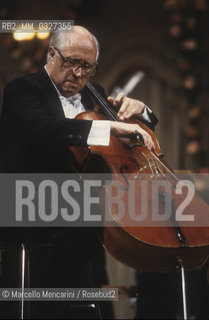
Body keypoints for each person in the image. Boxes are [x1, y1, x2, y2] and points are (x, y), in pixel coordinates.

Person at [0, 26, 158, 318]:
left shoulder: (94, 93)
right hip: (32, 210)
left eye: (88, 66)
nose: (79, 74)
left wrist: (142, 111)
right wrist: (112, 127)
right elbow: (49, 130)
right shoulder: (22, 90)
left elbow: (120, 138)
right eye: (72, 62)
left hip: (81, 216)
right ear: (51, 54)